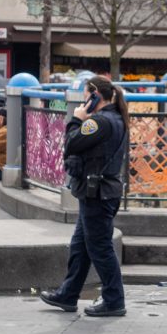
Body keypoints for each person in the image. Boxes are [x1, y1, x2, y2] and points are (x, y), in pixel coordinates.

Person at [40, 75, 129, 317]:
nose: (83, 100)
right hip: (98, 192)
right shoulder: (116, 118)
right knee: (81, 245)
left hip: (98, 194)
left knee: (100, 247)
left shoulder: (100, 121)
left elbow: (71, 143)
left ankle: (114, 299)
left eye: (86, 95)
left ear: (95, 96)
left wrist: (76, 119)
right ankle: (68, 294)